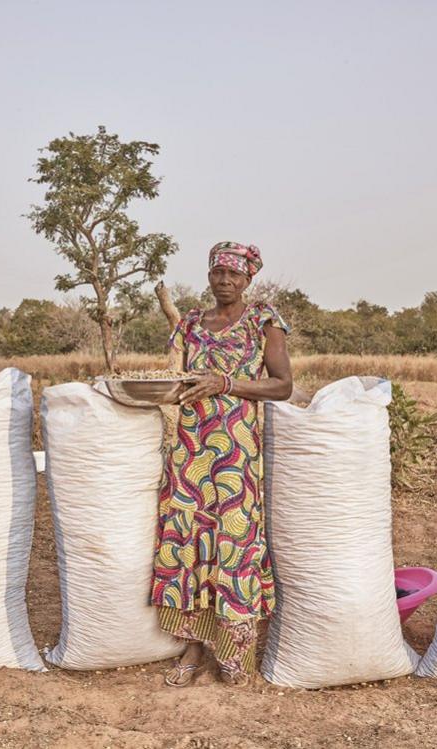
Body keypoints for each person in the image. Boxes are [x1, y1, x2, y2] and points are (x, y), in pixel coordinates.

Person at [152, 241, 293, 687]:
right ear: (209, 275)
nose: (225, 282)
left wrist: (226, 383)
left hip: (236, 454)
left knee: (233, 544)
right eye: (218, 274)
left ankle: (234, 658)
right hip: (191, 449)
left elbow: (283, 386)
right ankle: (192, 651)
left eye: (234, 275)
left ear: (248, 279)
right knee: (190, 542)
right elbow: (175, 377)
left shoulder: (263, 321)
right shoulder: (192, 323)